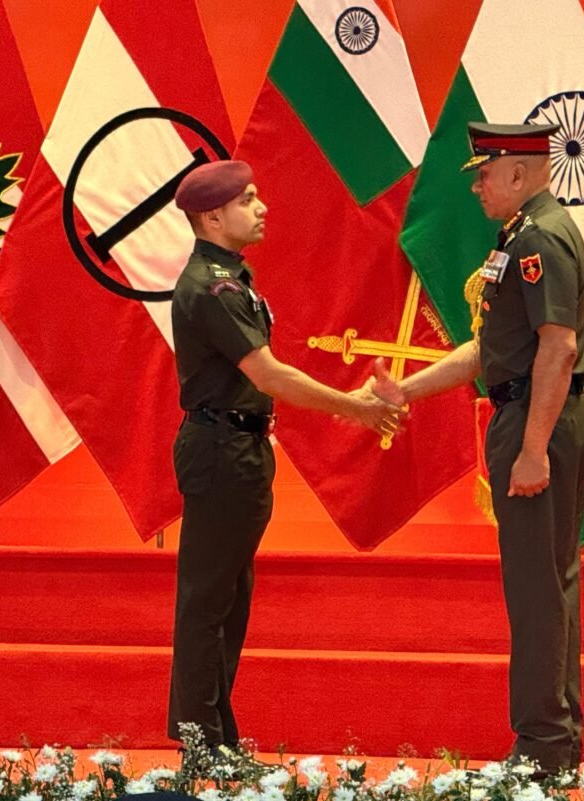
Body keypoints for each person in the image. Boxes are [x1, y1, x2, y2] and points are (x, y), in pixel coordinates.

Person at [166, 159, 403, 769]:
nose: (262, 207)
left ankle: (217, 738)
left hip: (238, 447)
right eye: (248, 199)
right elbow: (268, 374)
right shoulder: (211, 289)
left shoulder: (232, 278)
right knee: (208, 601)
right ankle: (199, 743)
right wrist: (353, 407)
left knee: (229, 599)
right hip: (221, 449)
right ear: (211, 217)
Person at [388, 123, 584, 777]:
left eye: (484, 174)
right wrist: (404, 390)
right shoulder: (519, 236)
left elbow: (559, 347)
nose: (478, 186)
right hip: (535, 411)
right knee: (549, 584)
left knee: (537, 588)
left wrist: (533, 448)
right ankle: (554, 739)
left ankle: (542, 745)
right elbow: (489, 348)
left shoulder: (539, 237)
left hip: (540, 417)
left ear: (518, 172)